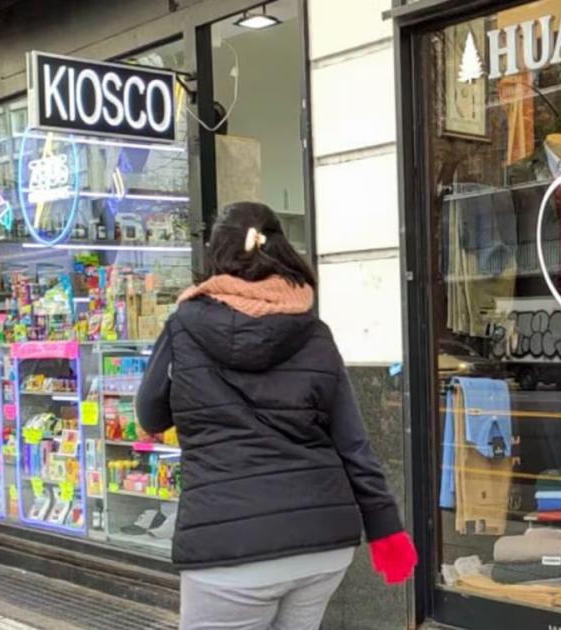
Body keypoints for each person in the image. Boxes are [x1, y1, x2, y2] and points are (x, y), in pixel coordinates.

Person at [135, 202, 417, 629]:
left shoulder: (183, 327)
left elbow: (150, 415)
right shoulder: (315, 333)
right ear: (282, 250)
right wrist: (386, 528)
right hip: (320, 542)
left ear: (216, 253)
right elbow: (353, 442)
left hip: (228, 546)